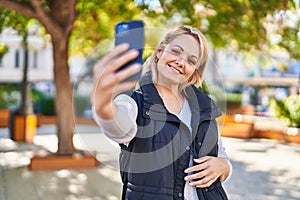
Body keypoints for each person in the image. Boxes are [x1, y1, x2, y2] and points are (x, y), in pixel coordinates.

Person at [92, 25, 232, 200]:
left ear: (194, 72)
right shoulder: (133, 102)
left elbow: (221, 155)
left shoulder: (205, 108)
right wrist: (102, 104)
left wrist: (225, 166)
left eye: (191, 61)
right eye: (175, 51)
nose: (181, 62)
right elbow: (119, 129)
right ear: (159, 52)